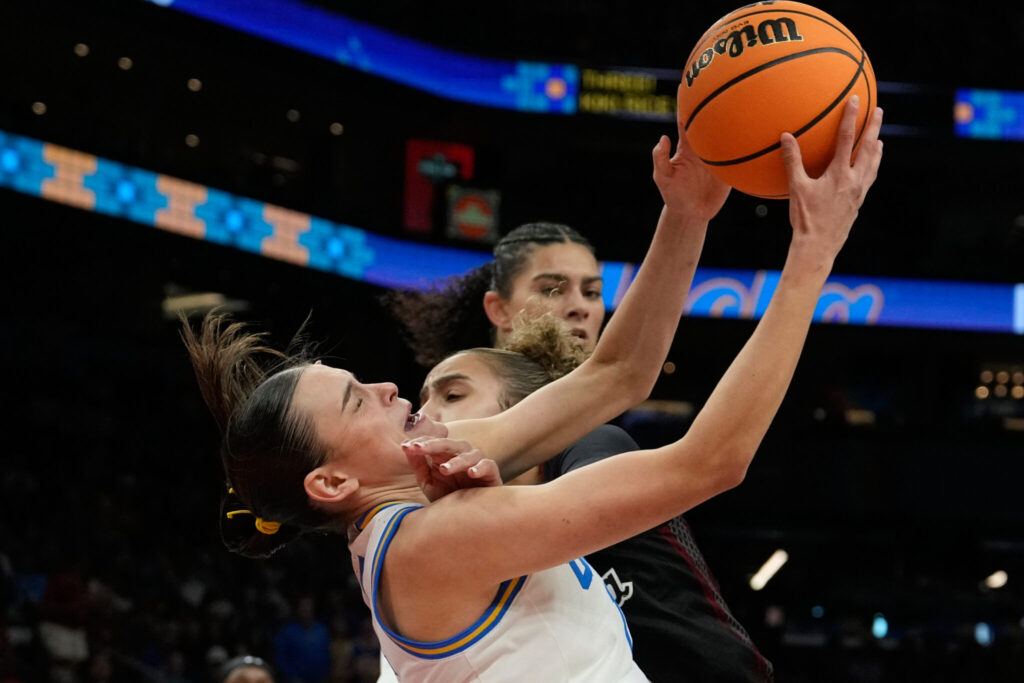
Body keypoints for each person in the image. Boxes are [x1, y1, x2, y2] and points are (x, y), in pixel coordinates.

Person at [182, 97, 883, 681]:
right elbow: (711, 461)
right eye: (355, 399)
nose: (388, 387)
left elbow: (615, 374)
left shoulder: (426, 483)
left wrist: (688, 213)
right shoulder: (430, 543)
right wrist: (812, 253)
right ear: (333, 481)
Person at [414, 316, 772, 681]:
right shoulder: (457, 530)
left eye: (453, 395)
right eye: (420, 403)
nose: (423, 416)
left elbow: (714, 463)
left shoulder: (593, 445)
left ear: (527, 410)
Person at [383, 221, 605, 368]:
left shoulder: (604, 418)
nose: (580, 307)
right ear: (499, 309)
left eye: (591, 293)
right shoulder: (457, 405)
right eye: (551, 290)